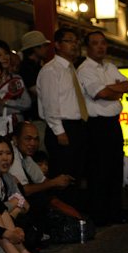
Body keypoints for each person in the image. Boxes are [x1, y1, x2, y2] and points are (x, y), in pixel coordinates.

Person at [77, 31, 128, 226]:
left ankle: (115, 212)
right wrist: (112, 90)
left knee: (115, 168)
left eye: (103, 43)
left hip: (113, 123)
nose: (100, 47)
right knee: (99, 170)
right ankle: (99, 215)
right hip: (96, 124)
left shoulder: (110, 66)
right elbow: (101, 92)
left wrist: (111, 90)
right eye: (95, 43)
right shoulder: (85, 69)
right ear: (87, 47)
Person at [36, 28, 88, 210]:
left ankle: (74, 214)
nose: (74, 45)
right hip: (62, 128)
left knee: (76, 174)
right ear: (57, 45)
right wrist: (59, 130)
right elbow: (50, 104)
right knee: (62, 175)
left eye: (76, 41)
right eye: (69, 40)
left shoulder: (71, 69)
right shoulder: (51, 70)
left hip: (77, 125)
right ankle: (62, 216)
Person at [0, 40, 32, 136]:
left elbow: (27, 103)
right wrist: (16, 105)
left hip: (17, 123)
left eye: (6, 53)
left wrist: (6, 102)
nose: (4, 58)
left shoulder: (16, 78)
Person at [17, 30, 52, 127]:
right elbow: (41, 92)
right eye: (44, 46)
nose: (47, 49)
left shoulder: (37, 66)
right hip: (34, 118)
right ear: (36, 48)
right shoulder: (26, 69)